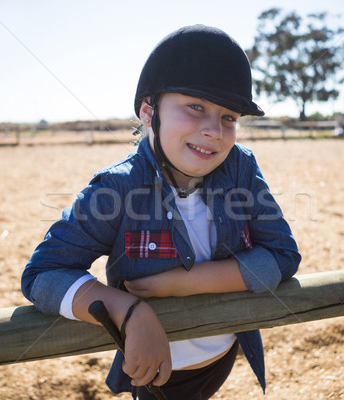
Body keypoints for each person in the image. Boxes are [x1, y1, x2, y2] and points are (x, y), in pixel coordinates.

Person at [21, 24, 301, 400]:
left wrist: (183, 282)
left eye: (229, 117)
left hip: (225, 354)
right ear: (148, 111)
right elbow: (42, 274)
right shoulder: (116, 188)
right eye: (195, 107)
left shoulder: (241, 168)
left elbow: (283, 255)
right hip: (157, 374)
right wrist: (128, 310)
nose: (214, 131)